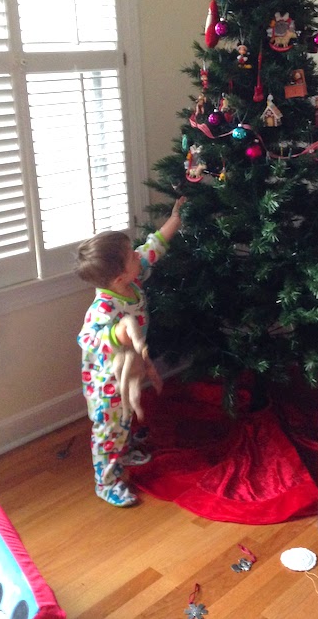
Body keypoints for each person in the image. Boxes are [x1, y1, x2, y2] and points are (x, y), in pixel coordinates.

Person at [76, 197, 186, 507]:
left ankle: (122, 454)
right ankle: (106, 482)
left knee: (124, 421)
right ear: (119, 278)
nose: (137, 255)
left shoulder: (130, 278)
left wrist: (175, 219)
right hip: (106, 383)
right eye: (130, 256)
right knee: (109, 429)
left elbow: (151, 249)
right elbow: (89, 339)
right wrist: (115, 332)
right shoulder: (103, 308)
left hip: (129, 372)